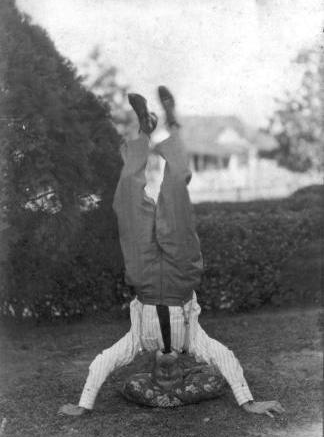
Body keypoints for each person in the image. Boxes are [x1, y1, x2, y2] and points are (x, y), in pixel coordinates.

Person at [59, 86, 284, 418]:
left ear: (149, 370)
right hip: (181, 274)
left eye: (159, 376)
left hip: (144, 277)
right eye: (173, 375)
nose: (166, 373)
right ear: (185, 368)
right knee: (174, 188)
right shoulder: (194, 342)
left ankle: (144, 130)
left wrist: (83, 405)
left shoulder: (138, 342)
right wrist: (249, 403)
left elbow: (103, 362)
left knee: (126, 199)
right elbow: (225, 358)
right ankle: (173, 124)